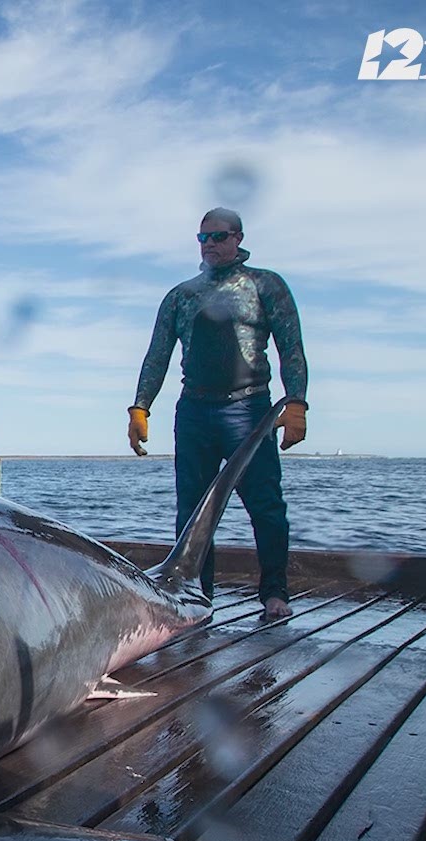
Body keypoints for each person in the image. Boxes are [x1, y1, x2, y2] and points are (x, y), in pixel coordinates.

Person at [128, 208, 308, 619]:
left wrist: (295, 401)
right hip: (194, 410)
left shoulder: (266, 285)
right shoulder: (181, 295)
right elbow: (157, 355)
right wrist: (140, 406)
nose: (210, 245)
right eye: (202, 238)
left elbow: (291, 347)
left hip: (249, 410)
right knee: (191, 509)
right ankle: (195, 595)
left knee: (265, 505)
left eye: (219, 237)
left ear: (238, 238)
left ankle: (275, 593)